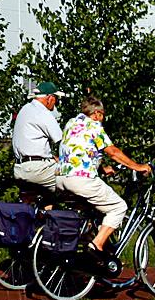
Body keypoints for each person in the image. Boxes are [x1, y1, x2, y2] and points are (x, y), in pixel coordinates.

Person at [60, 95, 150, 261]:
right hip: (81, 179)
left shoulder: (71, 123)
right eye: (103, 115)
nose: (103, 119)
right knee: (118, 207)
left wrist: (102, 168)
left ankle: (90, 246)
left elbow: (81, 150)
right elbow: (113, 152)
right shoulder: (93, 125)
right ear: (97, 114)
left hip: (62, 179)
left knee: (92, 212)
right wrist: (137, 166)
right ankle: (96, 245)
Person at [8, 78, 70, 199]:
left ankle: (45, 215)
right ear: (50, 98)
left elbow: (32, 143)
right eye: (56, 99)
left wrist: (53, 157)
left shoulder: (25, 110)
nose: (55, 103)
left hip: (20, 169)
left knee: (49, 196)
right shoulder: (43, 112)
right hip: (37, 170)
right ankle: (76, 216)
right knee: (73, 180)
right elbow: (63, 142)